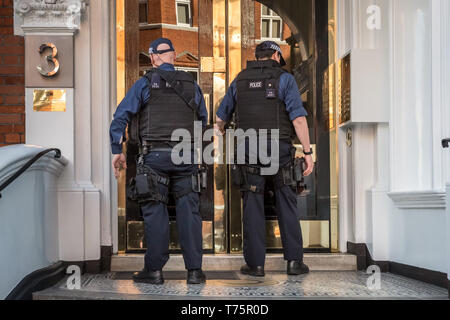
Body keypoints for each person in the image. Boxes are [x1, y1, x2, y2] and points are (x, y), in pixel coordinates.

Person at [110, 38, 208, 285]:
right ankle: (194, 272)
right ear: (174, 56)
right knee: (189, 213)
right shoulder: (193, 86)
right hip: (186, 156)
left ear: (153, 57)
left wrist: (117, 150)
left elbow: (120, 117)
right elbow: (203, 122)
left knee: (155, 213)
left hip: (154, 157)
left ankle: (154, 271)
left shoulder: (144, 84)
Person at [215, 41, 314, 277]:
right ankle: (293, 263)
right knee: (286, 203)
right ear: (277, 55)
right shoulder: (285, 79)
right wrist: (308, 154)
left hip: (248, 150)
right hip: (279, 149)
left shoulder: (239, 80)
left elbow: (220, 119)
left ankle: (255, 265)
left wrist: (227, 140)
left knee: (253, 206)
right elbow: (299, 120)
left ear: (256, 57)